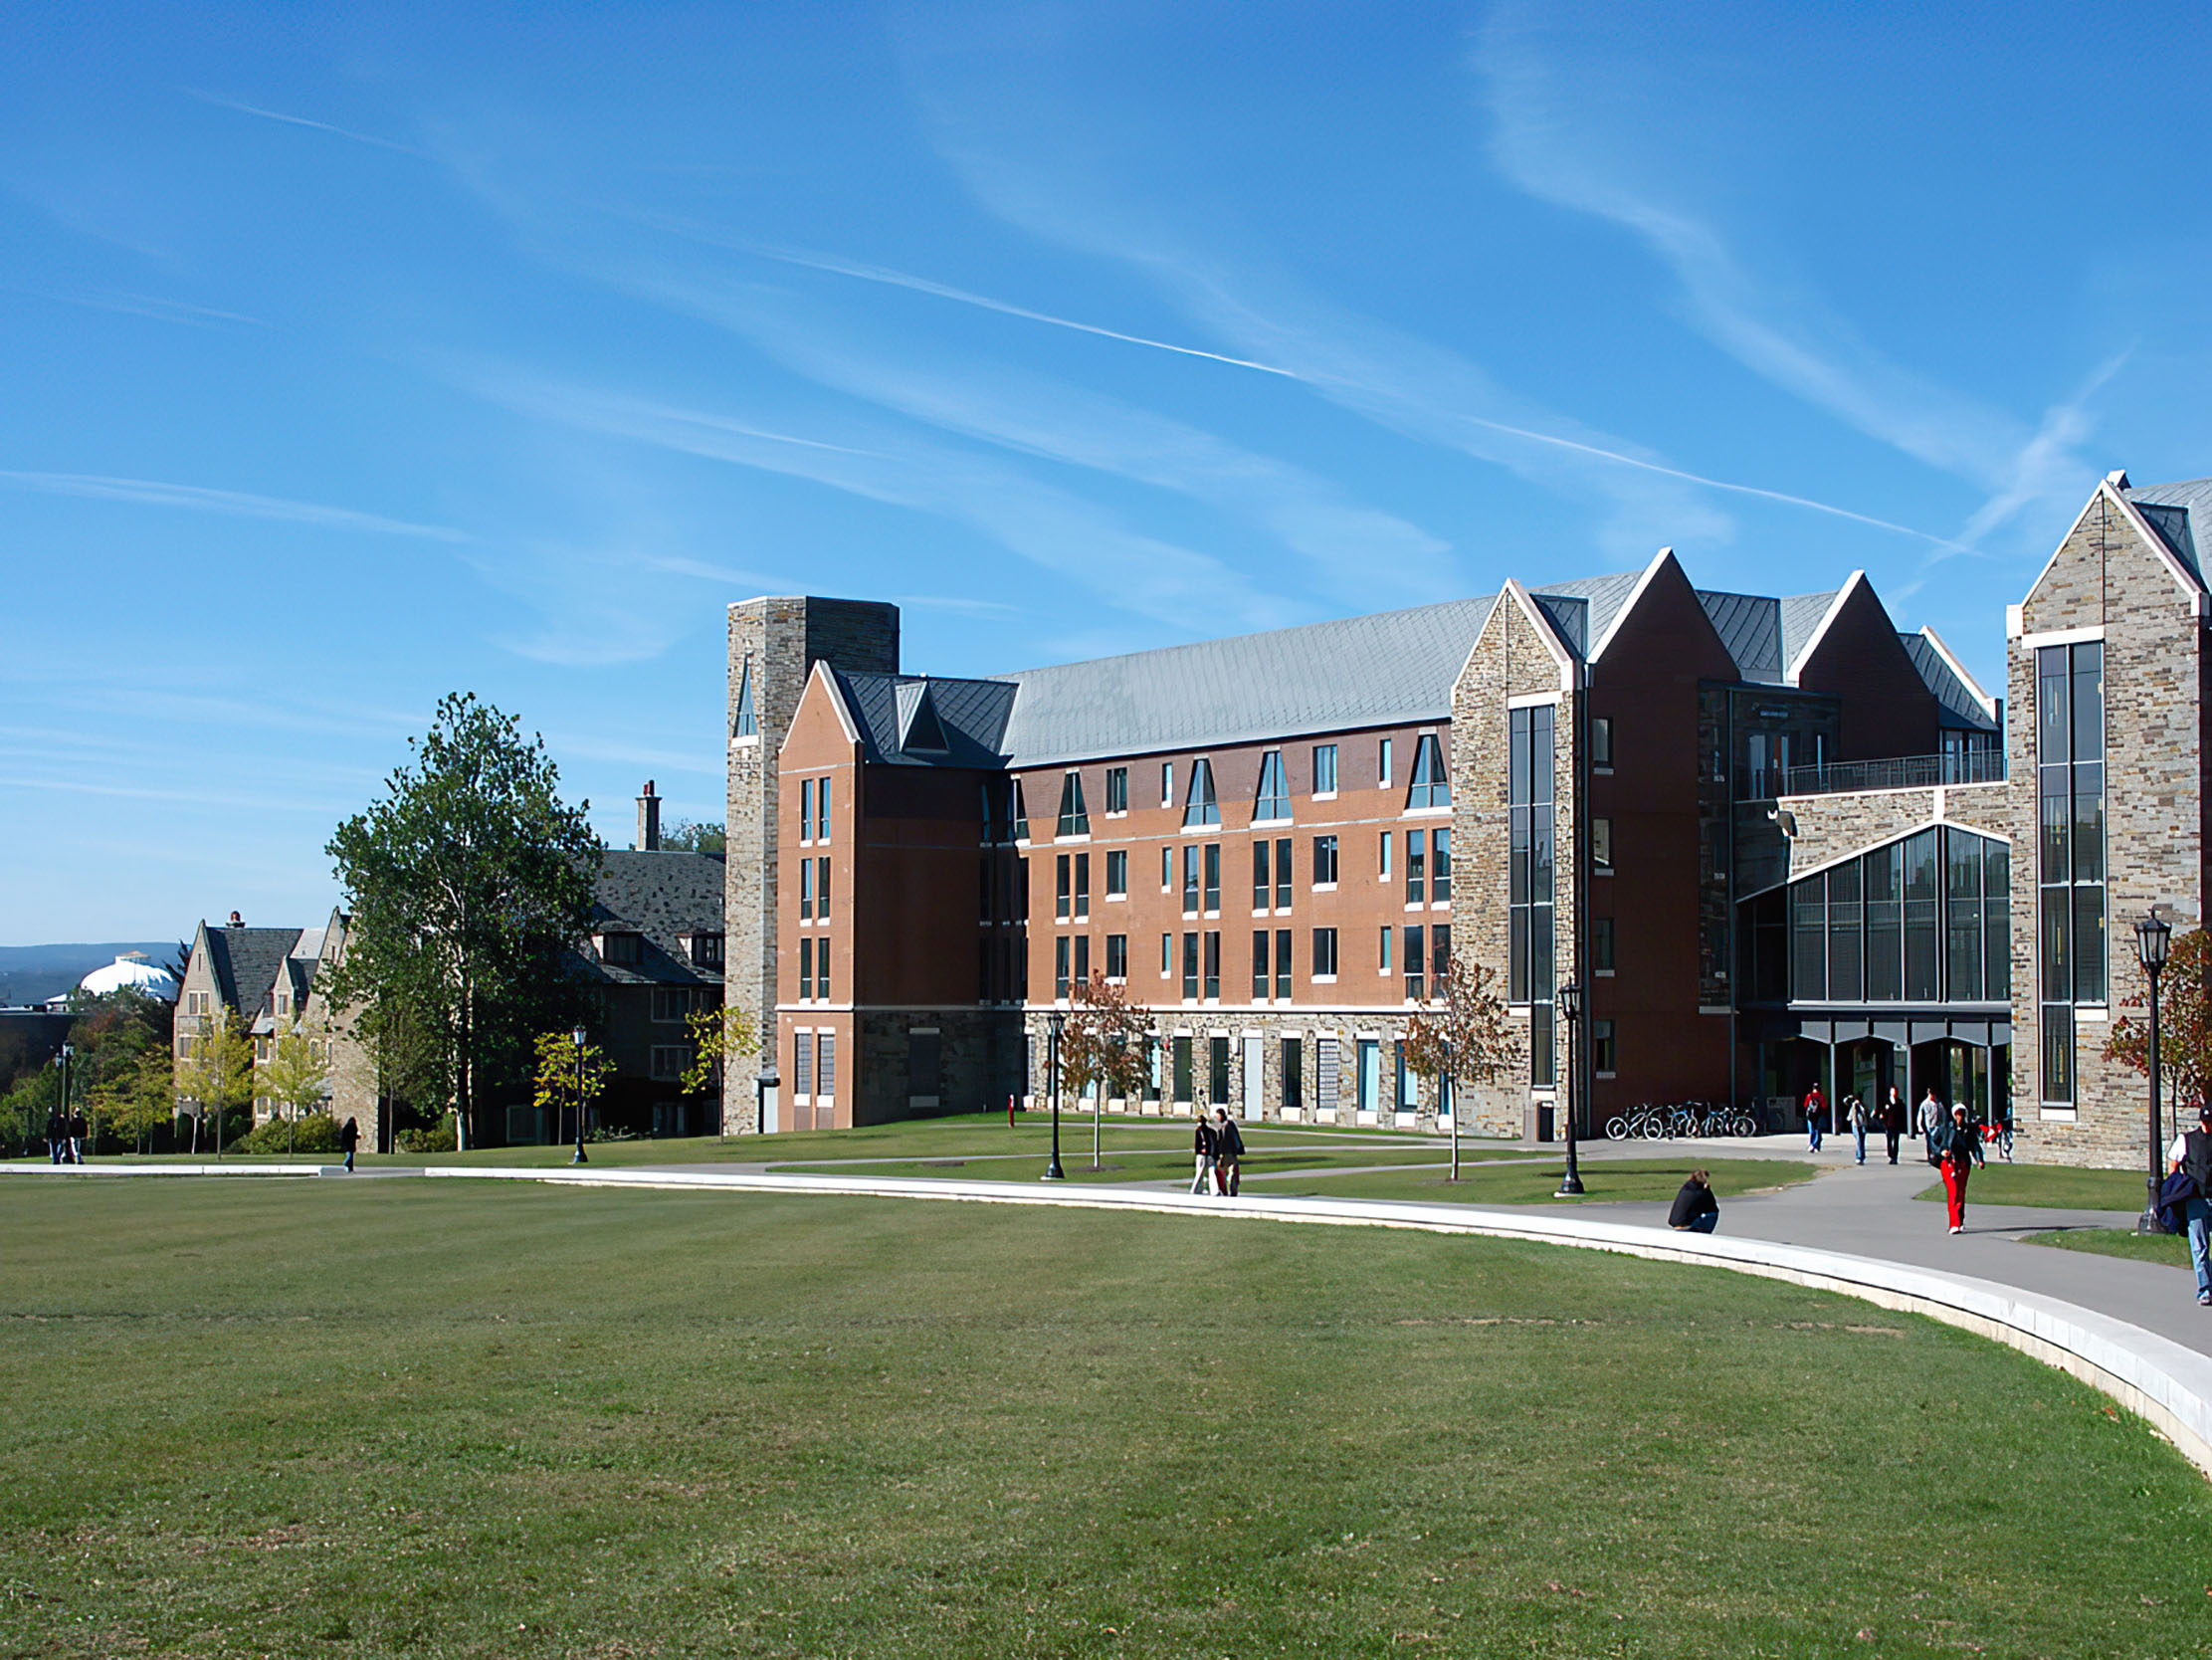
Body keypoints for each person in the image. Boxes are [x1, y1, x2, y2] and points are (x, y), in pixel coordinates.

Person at [2166, 1106, 2212, 1307]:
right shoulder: (2186, 1140)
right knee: (2199, 1247)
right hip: (2196, 1199)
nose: (2207, 1126)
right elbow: (2173, 1164)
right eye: (2205, 1122)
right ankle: (2205, 1289)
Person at [1931, 1102, 1984, 1233]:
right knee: (1953, 1190)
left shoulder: (1969, 1129)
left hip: (1963, 1162)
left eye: (1962, 1114)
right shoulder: (1946, 1127)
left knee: (1960, 1192)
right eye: (1957, 1114)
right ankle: (1954, 1223)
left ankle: (1960, 1219)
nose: (1959, 1117)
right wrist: (1941, 1151)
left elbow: (1974, 1145)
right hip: (1949, 1162)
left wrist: (1979, 1159)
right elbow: (1933, 1141)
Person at [1668, 1169, 1719, 1234]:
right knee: (1712, 1214)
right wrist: (1708, 1190)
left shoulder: (1685, 1188)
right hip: (1686, 1224)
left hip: (1675, 1222)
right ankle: (1705, 1234)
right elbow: (1711, 1207)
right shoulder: (1700, 1192)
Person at [1213, 1108, 1245, 1196]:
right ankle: (1232, 1190)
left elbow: (1222, 1141)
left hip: (1226, 1153)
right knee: (1232, 1172)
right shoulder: (1230, 1125)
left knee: (1222, 1172)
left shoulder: (1225, 1126)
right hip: (1232, 1152)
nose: (1217, 1118)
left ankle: (1225, 1190)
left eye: (1217, 1116)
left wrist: (1218, 1152)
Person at [1189, 1112, 1216, 1196]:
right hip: (1209, 1153)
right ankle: (1214, 1190)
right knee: (1211, 1172)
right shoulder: (1211, 1131)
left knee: (1199, 1172)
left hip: (1201, 1153)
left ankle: (1195, 1189)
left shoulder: (1199, 1130)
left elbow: (1200, 1142)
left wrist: (1199, 1151)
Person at [1881, 1086, 1905, 1164]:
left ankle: (1895, 1157)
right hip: (1889, 1125)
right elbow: (1883, 1113)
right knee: (1889, 1141)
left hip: (1897, 1124)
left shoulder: (1900, 1102)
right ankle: (1890, 1154)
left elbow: (1902, 1113)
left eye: (1896, 1091)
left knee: (1896, 1142)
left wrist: (1902, 1123)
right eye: (1893, 1091)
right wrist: (1884, 1122)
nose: (1894, 1093)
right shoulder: (1886, 1102)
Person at [1803, 1082, 1826, 1152]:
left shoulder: (1809, 1095)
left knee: (1812, 1131)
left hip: (1810, 1116)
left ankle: (1812, 1144)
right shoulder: (1821, 1096)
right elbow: (1824, 1106)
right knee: (1817, 1130)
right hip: (1818, 1115)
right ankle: (1815, 1145)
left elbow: (1805, 1105)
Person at [1846, 1095, 1869, 1165]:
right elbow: (1845, 1102)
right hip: (1856, 1125)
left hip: (1863, 1124)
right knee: (1859, 1140)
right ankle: (1859, 1157)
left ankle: (1862, 1156)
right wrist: (1848, 1098)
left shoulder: (1863, 1105)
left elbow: (1865, 1112)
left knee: (1862, 1140)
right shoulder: (1853, 1105)